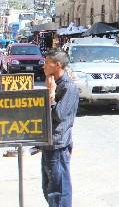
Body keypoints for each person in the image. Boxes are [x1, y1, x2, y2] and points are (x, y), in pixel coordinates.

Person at [41, 50, 79, 207]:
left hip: (58, 145)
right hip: (48, 144)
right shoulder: (54, 83)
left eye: (46, 62)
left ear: (57, 65)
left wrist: (50, 93)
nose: (43, 66)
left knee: (59, 192)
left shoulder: (68, 87)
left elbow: (58, 114)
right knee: (49, 188)